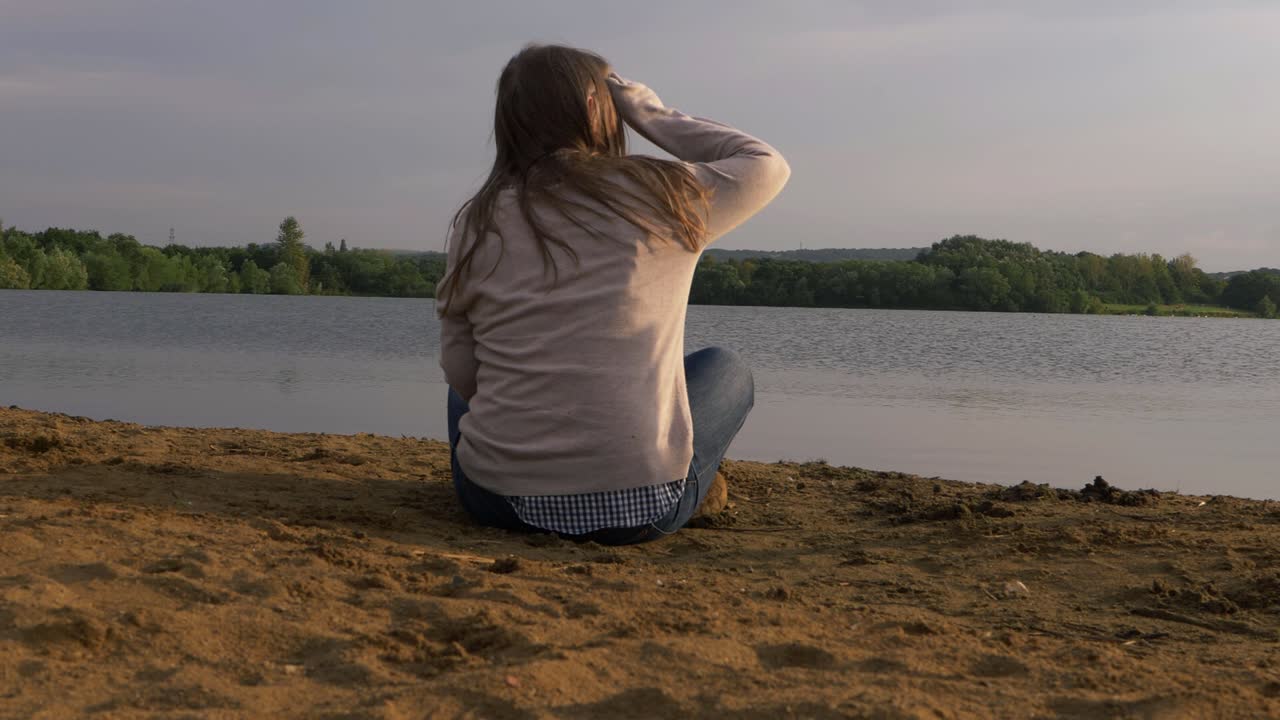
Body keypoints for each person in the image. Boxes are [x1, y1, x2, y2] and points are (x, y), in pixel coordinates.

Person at [436, 44, 789, 545]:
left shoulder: (477, 220)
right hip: (647, 509)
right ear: (597, 106)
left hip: (500, 504)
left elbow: (463, 374)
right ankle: (690, 479)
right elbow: (767, 164)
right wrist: (646, 110)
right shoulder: (661, 196)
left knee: (460, 392)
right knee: (727, 370)